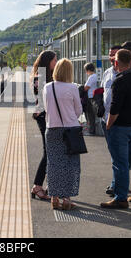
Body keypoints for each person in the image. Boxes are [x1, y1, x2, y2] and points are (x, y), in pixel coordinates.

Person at [101, 49, 131, 209]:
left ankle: (120, 198)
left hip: (119, 127)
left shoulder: (119, 80)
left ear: (116, 63)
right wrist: (123, 56)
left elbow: (115, 107)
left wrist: (108, 124)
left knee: (120, 163)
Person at [43, 58, 82, 210]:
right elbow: (78, 110)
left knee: (53, 163)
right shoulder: (72, 88)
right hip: (71, 130)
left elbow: (46, 108)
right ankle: (66, 199)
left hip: (52, 129)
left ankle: (54, 198)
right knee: (70, 164)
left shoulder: (47, 87)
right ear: (69, 72)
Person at [30, 50, 57, 200]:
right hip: (43, 117)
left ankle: (44, 185)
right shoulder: (40, 78)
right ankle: (37, 186)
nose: (56, 62)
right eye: (54, 60)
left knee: (49, 151)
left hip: (45, 116)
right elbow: (43, 99)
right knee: (48, 152)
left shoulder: (45, 76)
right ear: (48, 61)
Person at [101, 45, 122, 197]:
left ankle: (117, 185)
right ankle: (119, 182)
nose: (111, 57)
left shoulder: (124, 73)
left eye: (114, 55)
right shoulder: (107, 72)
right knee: (113, 153)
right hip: (105, 118)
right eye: (110, 54)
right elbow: (103, 91)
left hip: (118, 120)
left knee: (118, 154)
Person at [83, 63, 97, 135]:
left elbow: (86, 87)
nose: (86, 72)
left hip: (91, 97)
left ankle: (92, 130)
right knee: (91, 114)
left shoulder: (92, 77)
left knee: (90, 114)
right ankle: (92, 129)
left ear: (88, 70)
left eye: (86, 70)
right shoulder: (95, 76)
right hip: (93, 96)